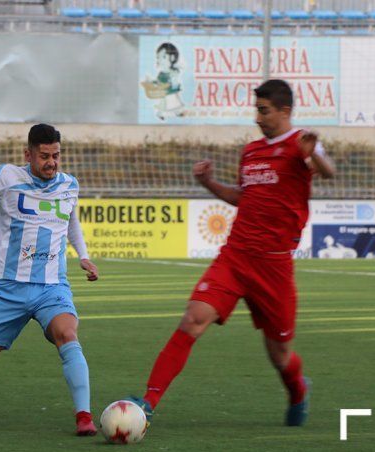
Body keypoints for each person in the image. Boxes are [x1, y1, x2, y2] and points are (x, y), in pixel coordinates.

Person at [128, 79, 335, 427]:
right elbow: (244, 196)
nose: (258, 117)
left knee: (280, 354)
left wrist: (313, 152)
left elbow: (329, 173)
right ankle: (147, 401)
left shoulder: (302, 144)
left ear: (285, 111)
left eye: (264, 110)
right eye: (257, 109)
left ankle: (298, 391)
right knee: (193, 319)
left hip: (274, 264)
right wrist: (208, 183)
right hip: (236, 256)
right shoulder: (251, 152)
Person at [0, 124, 101, 436]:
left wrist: (83, 254)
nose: (51, 162)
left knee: (67, 334)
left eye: (55, 155)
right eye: (44, 156)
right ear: (28, 154)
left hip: (52, 287)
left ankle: (84, 416)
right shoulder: (6, 177)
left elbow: (71, 222)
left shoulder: (69, 184)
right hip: (9, 291)